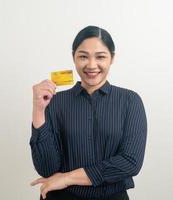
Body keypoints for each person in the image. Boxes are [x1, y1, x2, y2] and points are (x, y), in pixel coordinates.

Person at [29, 25, 147, 200]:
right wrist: (38, 109)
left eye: (100, 57)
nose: (92, 65)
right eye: (83, 56)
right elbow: (47, 169)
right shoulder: (54, 102)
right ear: (73, 58)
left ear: (112, 58)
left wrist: (67, 178)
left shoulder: (130, 101)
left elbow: (130, 163)